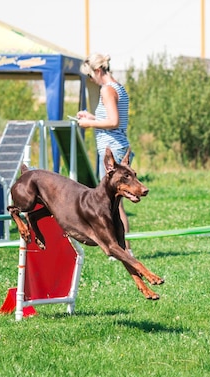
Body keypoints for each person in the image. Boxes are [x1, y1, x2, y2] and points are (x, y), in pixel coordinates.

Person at [77, 53, 135, 255]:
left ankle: (124, 249)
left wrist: (88, 123)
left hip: (113, 149)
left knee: (115, 202)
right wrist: (92, 117)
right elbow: (111, 120)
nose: (91, 80)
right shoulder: (117, 87)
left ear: (98, 71)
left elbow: (113, 122)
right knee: (115, 202)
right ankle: (122, 248)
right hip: (116, 145)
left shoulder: (107, 90)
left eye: (90, 75)